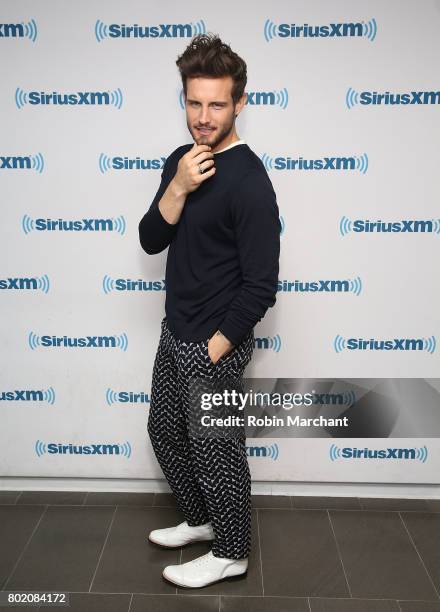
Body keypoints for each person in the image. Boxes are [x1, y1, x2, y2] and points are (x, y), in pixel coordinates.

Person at [138, 32, 281, 588]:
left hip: (214, 338)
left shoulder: (249, 181)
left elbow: (261, 285)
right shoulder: (182, 162)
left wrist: (217, 344)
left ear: (239, 103)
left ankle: (232, 551)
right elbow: (152, 239)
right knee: (165, 431)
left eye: (216, 104)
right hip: (176, 327)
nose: (203, 116)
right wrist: (176, 186)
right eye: (194, 102)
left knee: (217, 449)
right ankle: (201, 519)